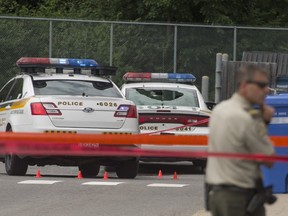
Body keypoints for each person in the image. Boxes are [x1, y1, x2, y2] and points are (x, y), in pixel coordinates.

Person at [205, 64, 275, 216]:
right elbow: (269, 159)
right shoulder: (248, 118)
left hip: (217, 194)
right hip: (239, 198)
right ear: (244, 86)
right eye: (261, 85)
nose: (266, 90)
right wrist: (264, 123)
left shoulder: (219, 110)